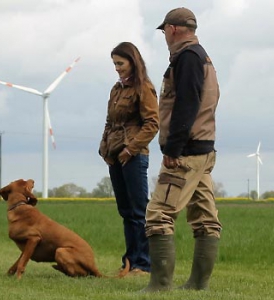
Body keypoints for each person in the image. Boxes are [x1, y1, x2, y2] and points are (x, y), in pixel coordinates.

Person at [142, 7, 221, 292]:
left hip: (186, 152)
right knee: (205, 217)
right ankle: (198, 286)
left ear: (172, 29)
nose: (164, 37)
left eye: (164, 31)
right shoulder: (203, 57)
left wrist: (173, 148)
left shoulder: (187, 58)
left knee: (159, 214)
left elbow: (186, 104)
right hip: (204, 150)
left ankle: (159, 286)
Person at [98, 42, 159, 276]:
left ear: (133, 62)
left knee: (137, 212)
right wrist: (105, 150)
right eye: (114, 64)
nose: (117, 68)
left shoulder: (143, 88)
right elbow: (109, 123)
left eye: (120, 63)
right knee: (125, 211)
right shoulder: (116, 89)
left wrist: (130, 150)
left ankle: (143, 264)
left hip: (134, 157)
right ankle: (130, 262)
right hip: (115, 156)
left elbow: (152, 124)